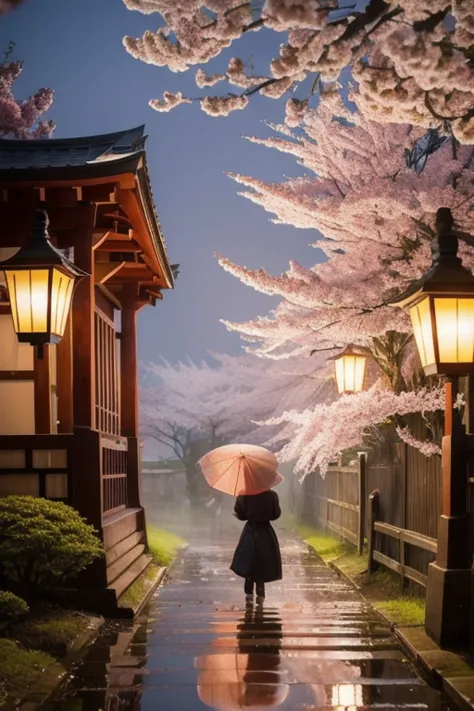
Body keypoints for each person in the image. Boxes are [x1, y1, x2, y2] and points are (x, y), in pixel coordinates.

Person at [230, 489, 282, 603]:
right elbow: (275, 515)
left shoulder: (244, 495)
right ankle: (260, 592)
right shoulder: (272, 495)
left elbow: (241, 515)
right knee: (262, 560)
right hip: (265, 531)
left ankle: (249, 591)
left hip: (250, 530)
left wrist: (240, 501)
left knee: (249, 559)